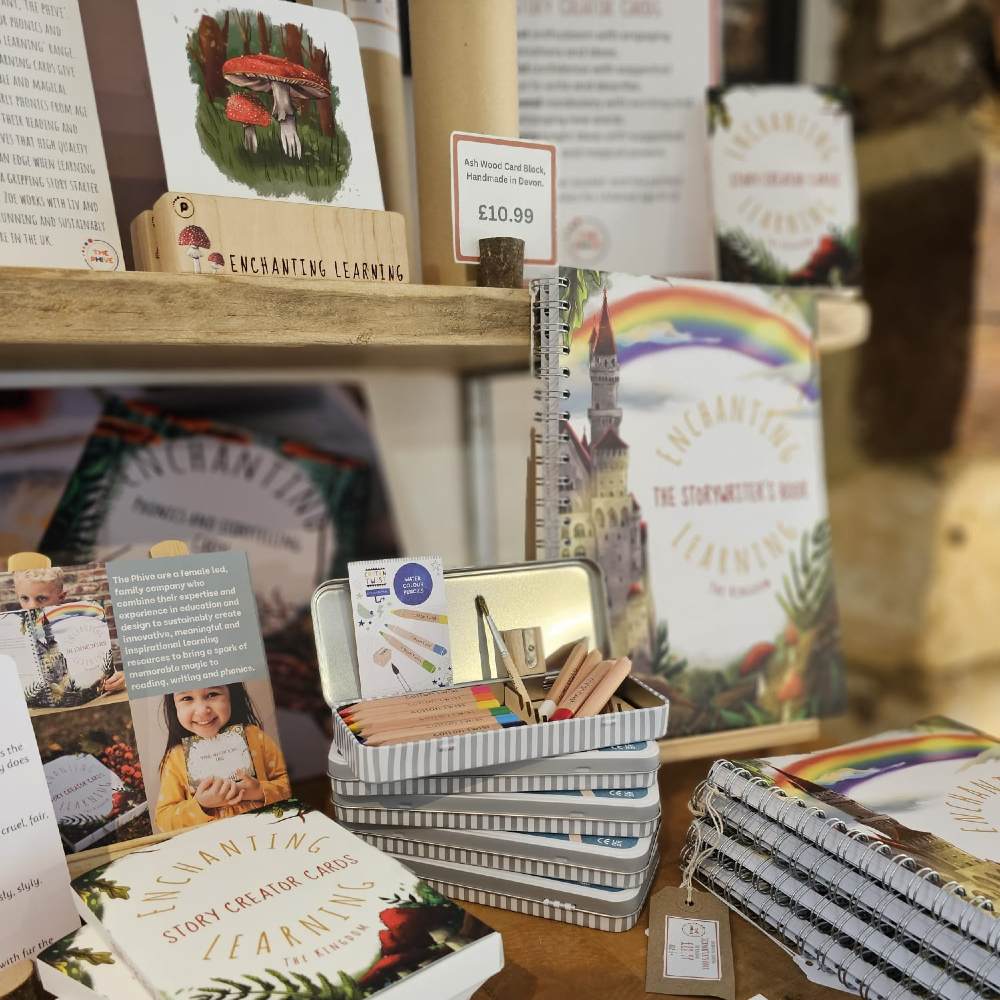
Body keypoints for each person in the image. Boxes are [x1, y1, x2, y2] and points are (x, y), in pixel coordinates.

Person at [155, 682, 291, 831]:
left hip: (267, 831)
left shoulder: (255, 737)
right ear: (174, 705)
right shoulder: (175, 758)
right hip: (214, 846)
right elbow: (163, 820)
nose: (202, 710)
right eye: (187, 698)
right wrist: (201, 804)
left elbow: (290, 784)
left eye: (212, 694)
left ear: (231, 695)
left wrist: (259, 791)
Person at [11, 566, 125, 695]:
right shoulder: (11, 628)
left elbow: (106, 672)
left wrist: (118, 680)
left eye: (41, 598)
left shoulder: (83, 623)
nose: (31, 606)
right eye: (24, 598)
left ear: (61, 597)